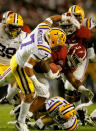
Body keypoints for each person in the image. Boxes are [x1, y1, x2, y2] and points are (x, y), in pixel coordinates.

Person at [0, 14, 71, 131]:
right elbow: (28, 67)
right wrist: (37, 83)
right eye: (58, 46)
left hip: (18, 59)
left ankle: (18, 106)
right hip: (21, 66)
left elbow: (51, 19)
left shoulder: (43, 28)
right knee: (30, 94)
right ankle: (20, 122)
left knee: (3, 82)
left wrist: (63, 17)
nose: (58, 48)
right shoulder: (44, 49)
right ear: (53, 41)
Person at [0, 12, 27, 103]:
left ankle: (16, 109)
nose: (14, 30)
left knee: (18, 92)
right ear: (6, 25)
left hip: (12, 65)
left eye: (17, 28)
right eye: (11, 27)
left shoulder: (24, 37)